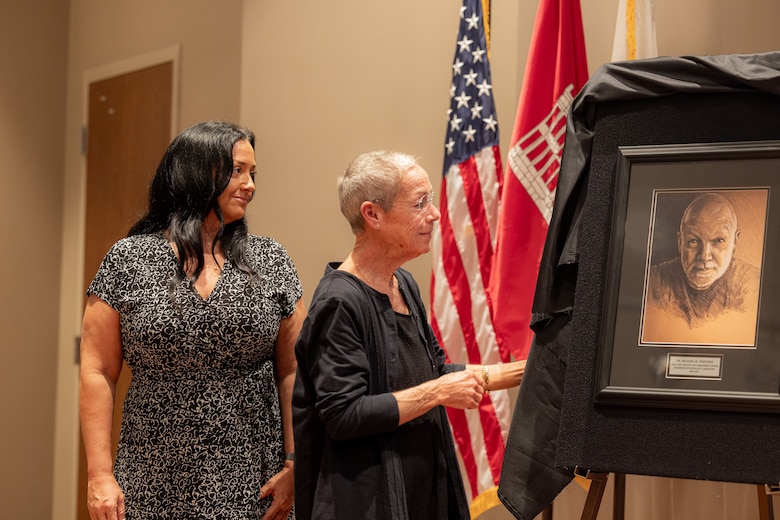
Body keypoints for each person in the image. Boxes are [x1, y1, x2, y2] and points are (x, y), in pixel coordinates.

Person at [79, 120, 304, 519]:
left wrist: (294, 461)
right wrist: (99, 475)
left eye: (253, 173)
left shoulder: (270, 259)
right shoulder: (128, 260)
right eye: (237, 171)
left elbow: (294, 371)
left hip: (253, 479)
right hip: (150, 478)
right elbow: (97, 369)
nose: (250, 184)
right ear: (197, 172)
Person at [292, 150, 525, 520]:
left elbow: (435, 371)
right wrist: (438, 392)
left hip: (420, 491)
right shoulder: (339, 301)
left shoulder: (403, 283)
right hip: (368, 503)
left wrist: (527, 371)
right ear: (373, 215)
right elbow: (344, 415)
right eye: (420, 203)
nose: (434, 214)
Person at [642, 192, 761, 345]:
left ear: (734, 242)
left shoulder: (754, 287)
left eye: (719, 241)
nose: (704, 256)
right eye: (693, 241)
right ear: (680, 242)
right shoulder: (652, 284)